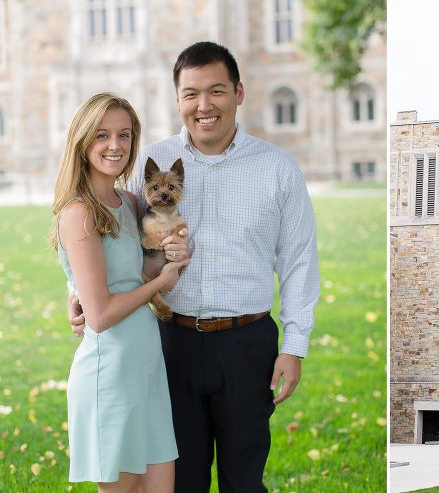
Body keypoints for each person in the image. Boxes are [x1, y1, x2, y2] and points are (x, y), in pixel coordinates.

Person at [69, 42, 320, 492]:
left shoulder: (277, 168)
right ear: (178, 99)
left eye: (216, 91)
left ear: (239, 93)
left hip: (248, 344)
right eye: (190, 94)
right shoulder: (149, 169)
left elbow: (300, 261)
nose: (203, 106)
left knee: (244, 480)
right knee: (179, 480)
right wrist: (78, 295)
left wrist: (294, 345)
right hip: (169, 344)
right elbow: (106, 237)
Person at [53, 93, 188, 492]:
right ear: (82, 142)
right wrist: (159, 284)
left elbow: (130, 272)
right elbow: (100, 315)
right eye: (102, 135)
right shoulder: (79, 212)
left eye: (124, 135)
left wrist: (169, 255)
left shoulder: (129, 202)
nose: (116, 145)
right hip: (110, 372)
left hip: (147, 364)